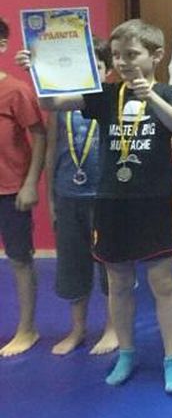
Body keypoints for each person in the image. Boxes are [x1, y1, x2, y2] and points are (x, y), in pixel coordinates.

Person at [20, 19, 172, 394]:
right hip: (112, 200)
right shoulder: (105, 93)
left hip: (151, 200)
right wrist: (38, 69)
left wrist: (151, 96)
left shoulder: (169, 91)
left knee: (162, 282)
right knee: (119, 281)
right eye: (117, 55)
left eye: (132, 54)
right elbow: (52, 103)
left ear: (156, 55)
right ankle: (126, 353)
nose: (123, 62)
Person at [43, 38, 117, 356]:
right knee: (73, 264)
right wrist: (51, 197)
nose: (89, 72)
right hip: (68, 193)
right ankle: (77, 328)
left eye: (96, 67)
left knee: (111, 264)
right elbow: (51, 150)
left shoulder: (111, 101)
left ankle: (113, 327)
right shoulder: (61, 108)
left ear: (107, 70)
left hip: (104, 194)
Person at [0, 17, 46, 358]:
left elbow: (40, 135)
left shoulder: (16, 91)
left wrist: (30, 183)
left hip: (10, 189)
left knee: (19, 258)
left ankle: (27, 328)